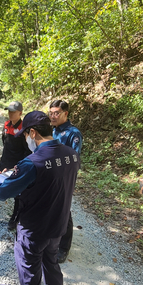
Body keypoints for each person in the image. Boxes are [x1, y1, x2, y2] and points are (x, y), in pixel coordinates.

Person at [0, 111, 80, 285]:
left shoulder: (32, 162)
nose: (25, 140)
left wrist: (3, 179)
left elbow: (1, 193)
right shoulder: (72, 155)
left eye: (25, 135)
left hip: (33, 231)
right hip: (58, 225)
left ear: (32, 133)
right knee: (52, 267)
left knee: (30, 276)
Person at [0, 101, 30, 230]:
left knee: (18, 192)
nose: (10, 114)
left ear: (20, 113)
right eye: (9, 111)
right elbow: (5, 142)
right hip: (4, 161)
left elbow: (27, 151)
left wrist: (17, 166)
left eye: (13, 112)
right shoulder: (6, 125)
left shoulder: (24, 129)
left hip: (18, 164)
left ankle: (14, 219)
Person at [49, 100, 83, 264]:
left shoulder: (72, 133)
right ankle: (52, 238)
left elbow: (74, 159)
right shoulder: (52, 130)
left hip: (64, 178)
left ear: (65, 114)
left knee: (64, 210)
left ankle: (64, 247)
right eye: (51, 113)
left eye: (56, 113)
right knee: (52, 206)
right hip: (50, 176)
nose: (53, 116)